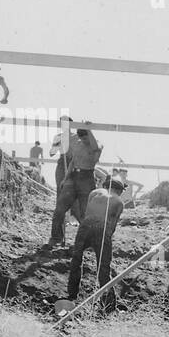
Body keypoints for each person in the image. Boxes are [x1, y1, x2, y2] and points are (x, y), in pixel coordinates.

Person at [68, 175, 125, 311]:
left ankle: (72, 295)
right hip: (102, 228)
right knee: (103, 267)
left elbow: (86, 212)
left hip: (85, 226)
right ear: (120, 190)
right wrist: (106, 240)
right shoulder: (118, 201)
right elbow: (112, 225)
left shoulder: (94, 193)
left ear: (105, 186)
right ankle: (108, 305)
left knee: (76, 260)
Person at [49, 126, 102, 247]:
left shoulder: (97, 144)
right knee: (60, 208)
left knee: (85, 212)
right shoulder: (77, 144)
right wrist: (65, 178)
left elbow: (95, 148)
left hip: (87, 178)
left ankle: (87, 241)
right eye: (81, 138)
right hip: (73, 177)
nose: (83, 141)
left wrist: (89, 130)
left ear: (89, 135)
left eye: (85, 138)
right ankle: (56, 237)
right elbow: (73, 161)